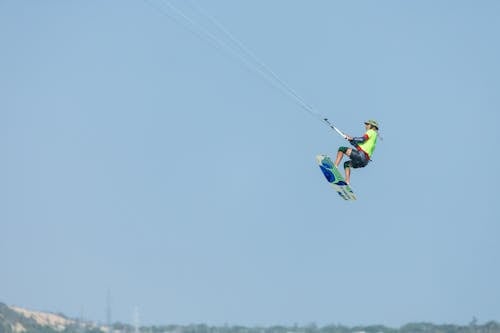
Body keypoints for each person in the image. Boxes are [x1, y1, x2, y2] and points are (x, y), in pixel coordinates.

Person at [334, 119, 379, 184]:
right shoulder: (374, 137)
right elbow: (360, 146)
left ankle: (334, 167)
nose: (366, 126)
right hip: (364, 162)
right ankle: (347, 182)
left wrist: (352, 138)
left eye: (367, 124)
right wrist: (351, 140)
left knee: (342, 149)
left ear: (372, 126)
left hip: (361, 156)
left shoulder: (371, 131)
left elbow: (362, 139)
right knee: (346, 164)